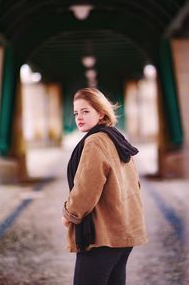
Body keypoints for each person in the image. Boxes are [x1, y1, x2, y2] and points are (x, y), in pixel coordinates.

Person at [61, 87, 148, 285]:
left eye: (85, 111)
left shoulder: (95, 141)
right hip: (124, 232)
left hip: (102, 236)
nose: (79, 117)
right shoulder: (115, 138)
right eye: (76, 112)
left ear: (101, 113)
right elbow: (135, 184)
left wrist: (70, 215)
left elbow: (86, 188)